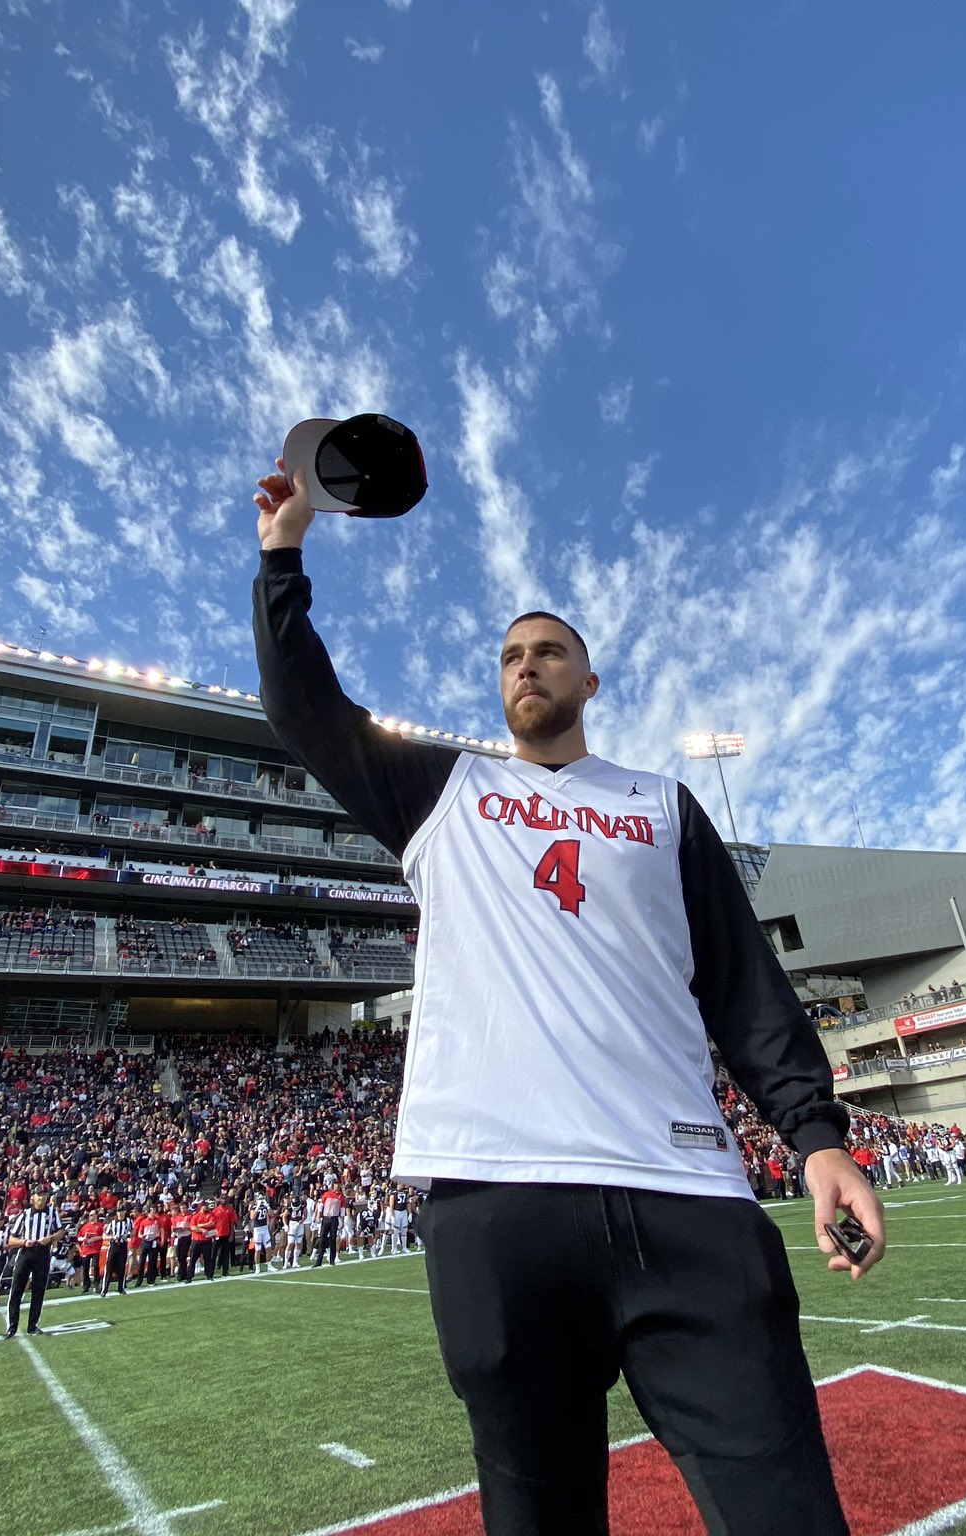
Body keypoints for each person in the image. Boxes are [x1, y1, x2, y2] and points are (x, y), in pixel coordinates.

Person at [252, 457, 882, 1535]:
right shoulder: (441, 789)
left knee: (783, 1504)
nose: (525, 665)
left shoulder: (662, 804)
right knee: (535, 1516)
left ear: (589, 683)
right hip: (497, 1198)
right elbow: (303, 706)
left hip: (682, 1187)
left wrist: (815, 1137)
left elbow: (744, 986)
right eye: (508, 656)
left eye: (548, 651)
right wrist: (282, 554)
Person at [5, 1191, 62, 1338]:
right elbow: (11, 1239)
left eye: (44, 1195)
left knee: (38, 1291)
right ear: (33, 1198)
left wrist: (50, 1238)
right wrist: (24, 1242)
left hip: (43, 1253)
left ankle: (33, 1325)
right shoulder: (25, 1214)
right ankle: (12, 1327)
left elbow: (61, 1231)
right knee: (16, 1289)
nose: (41, 1198)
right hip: (26, 1252)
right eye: (39, 1195)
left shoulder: (52, 1212)